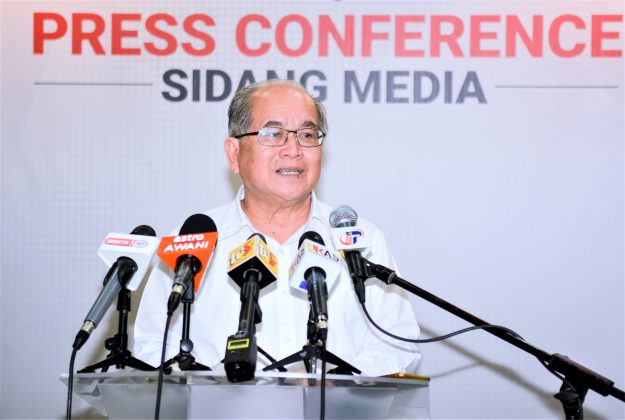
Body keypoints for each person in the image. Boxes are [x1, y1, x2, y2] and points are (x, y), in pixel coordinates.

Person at [134, 79, 420, 376]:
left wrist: (335, 382)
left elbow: (399, 345)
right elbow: (152, 345)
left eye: (307, 135)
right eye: (273, 134)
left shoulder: (360, 239)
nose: (293, 150)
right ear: (234, 153)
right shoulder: (193, 241)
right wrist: (214, 386)